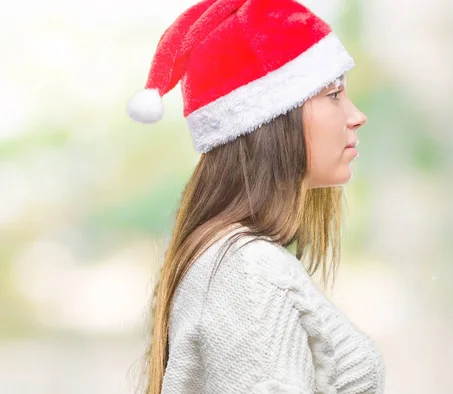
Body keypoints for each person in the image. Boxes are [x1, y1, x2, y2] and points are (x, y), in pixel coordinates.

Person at [126, 0, 386, 393]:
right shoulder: (247, 271)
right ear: (270, 119)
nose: (356, 115)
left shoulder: (236, 259)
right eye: (333, 94)